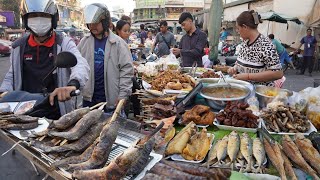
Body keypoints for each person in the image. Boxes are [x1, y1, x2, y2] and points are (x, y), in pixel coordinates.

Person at [0, 0, 89, 118]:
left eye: (44, 16)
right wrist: (3, 93)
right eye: (34, 16)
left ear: (53, 19)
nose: (39, 20)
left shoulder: (63, 43)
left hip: (56, 111)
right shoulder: (18, 46)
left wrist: (73, 84)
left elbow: (80, 63)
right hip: (25, 111)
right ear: (26, 20)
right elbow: (12, 75)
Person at [78, 3, 134, 112]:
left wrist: (123, 95)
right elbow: (77, 66)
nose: (93, 26)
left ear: (104, 22)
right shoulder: (83, 43)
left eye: (96, 23)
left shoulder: (118, 44)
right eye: (90, 23)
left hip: (111, 100)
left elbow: (126, 71)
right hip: (89, 100)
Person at [227, 10, 283, 87]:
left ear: (245, 27)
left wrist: (248, 76)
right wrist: (234, 69)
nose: (237, 31)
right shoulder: (245, 44)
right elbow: (240, 64)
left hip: (260, 92)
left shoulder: (265, 44)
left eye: (238, 28)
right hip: (245, 89)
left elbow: (278, 73)